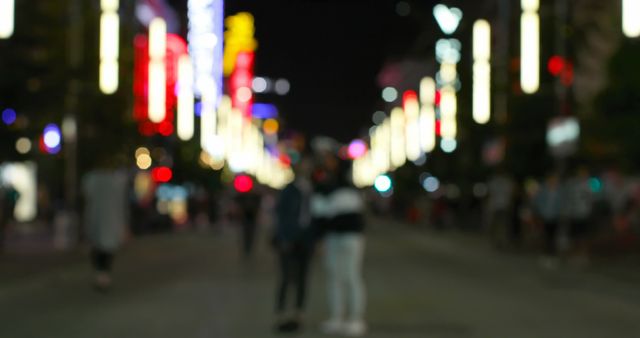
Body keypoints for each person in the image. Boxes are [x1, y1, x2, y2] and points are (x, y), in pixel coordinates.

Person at [313, 154, 367, 337]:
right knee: (343, 278)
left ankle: (350, 319)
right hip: (344, 237)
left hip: (342, 237)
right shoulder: (351, 190)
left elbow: (320, 215)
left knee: (346, 277)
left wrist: (319, 237)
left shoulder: (327, 188)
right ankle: (344, 319)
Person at [272, 157, 316, 333]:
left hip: (306, 240)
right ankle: (281, 313)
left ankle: (298, 313)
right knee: (286, 277)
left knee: (303, 278)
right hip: (289, 239)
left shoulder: (313, 189)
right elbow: (281, 216)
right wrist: (283, 238)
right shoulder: (288, 190)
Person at [82, 161, 129, 291]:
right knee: (105, 248)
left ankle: (101, 275)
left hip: (100, 219)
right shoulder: (116, 181)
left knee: (100, 247)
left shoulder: (93, 180)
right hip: (108, 220)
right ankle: (103, 275)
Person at [533, 173, 564, 268]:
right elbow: (537, 201)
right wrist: (540, 213)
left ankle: (552, 255)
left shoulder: (560, 191)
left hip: (555, 217)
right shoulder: (543, 190)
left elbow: (562, 203)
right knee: (544, 236)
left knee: (553, 237)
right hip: (544, 216)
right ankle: (544, 254)